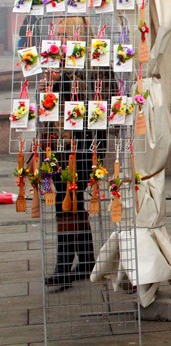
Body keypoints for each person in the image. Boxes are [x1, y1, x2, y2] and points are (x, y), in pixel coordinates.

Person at [44, 16, 111, 291]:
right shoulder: (61, 65)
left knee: (67, 197)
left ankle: (64, 263)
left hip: (83, 143)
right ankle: (84, 260)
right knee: (71, 198)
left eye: (65, 35)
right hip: (62, 142)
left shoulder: (92, 64)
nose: (61, 41)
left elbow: (99, 101)